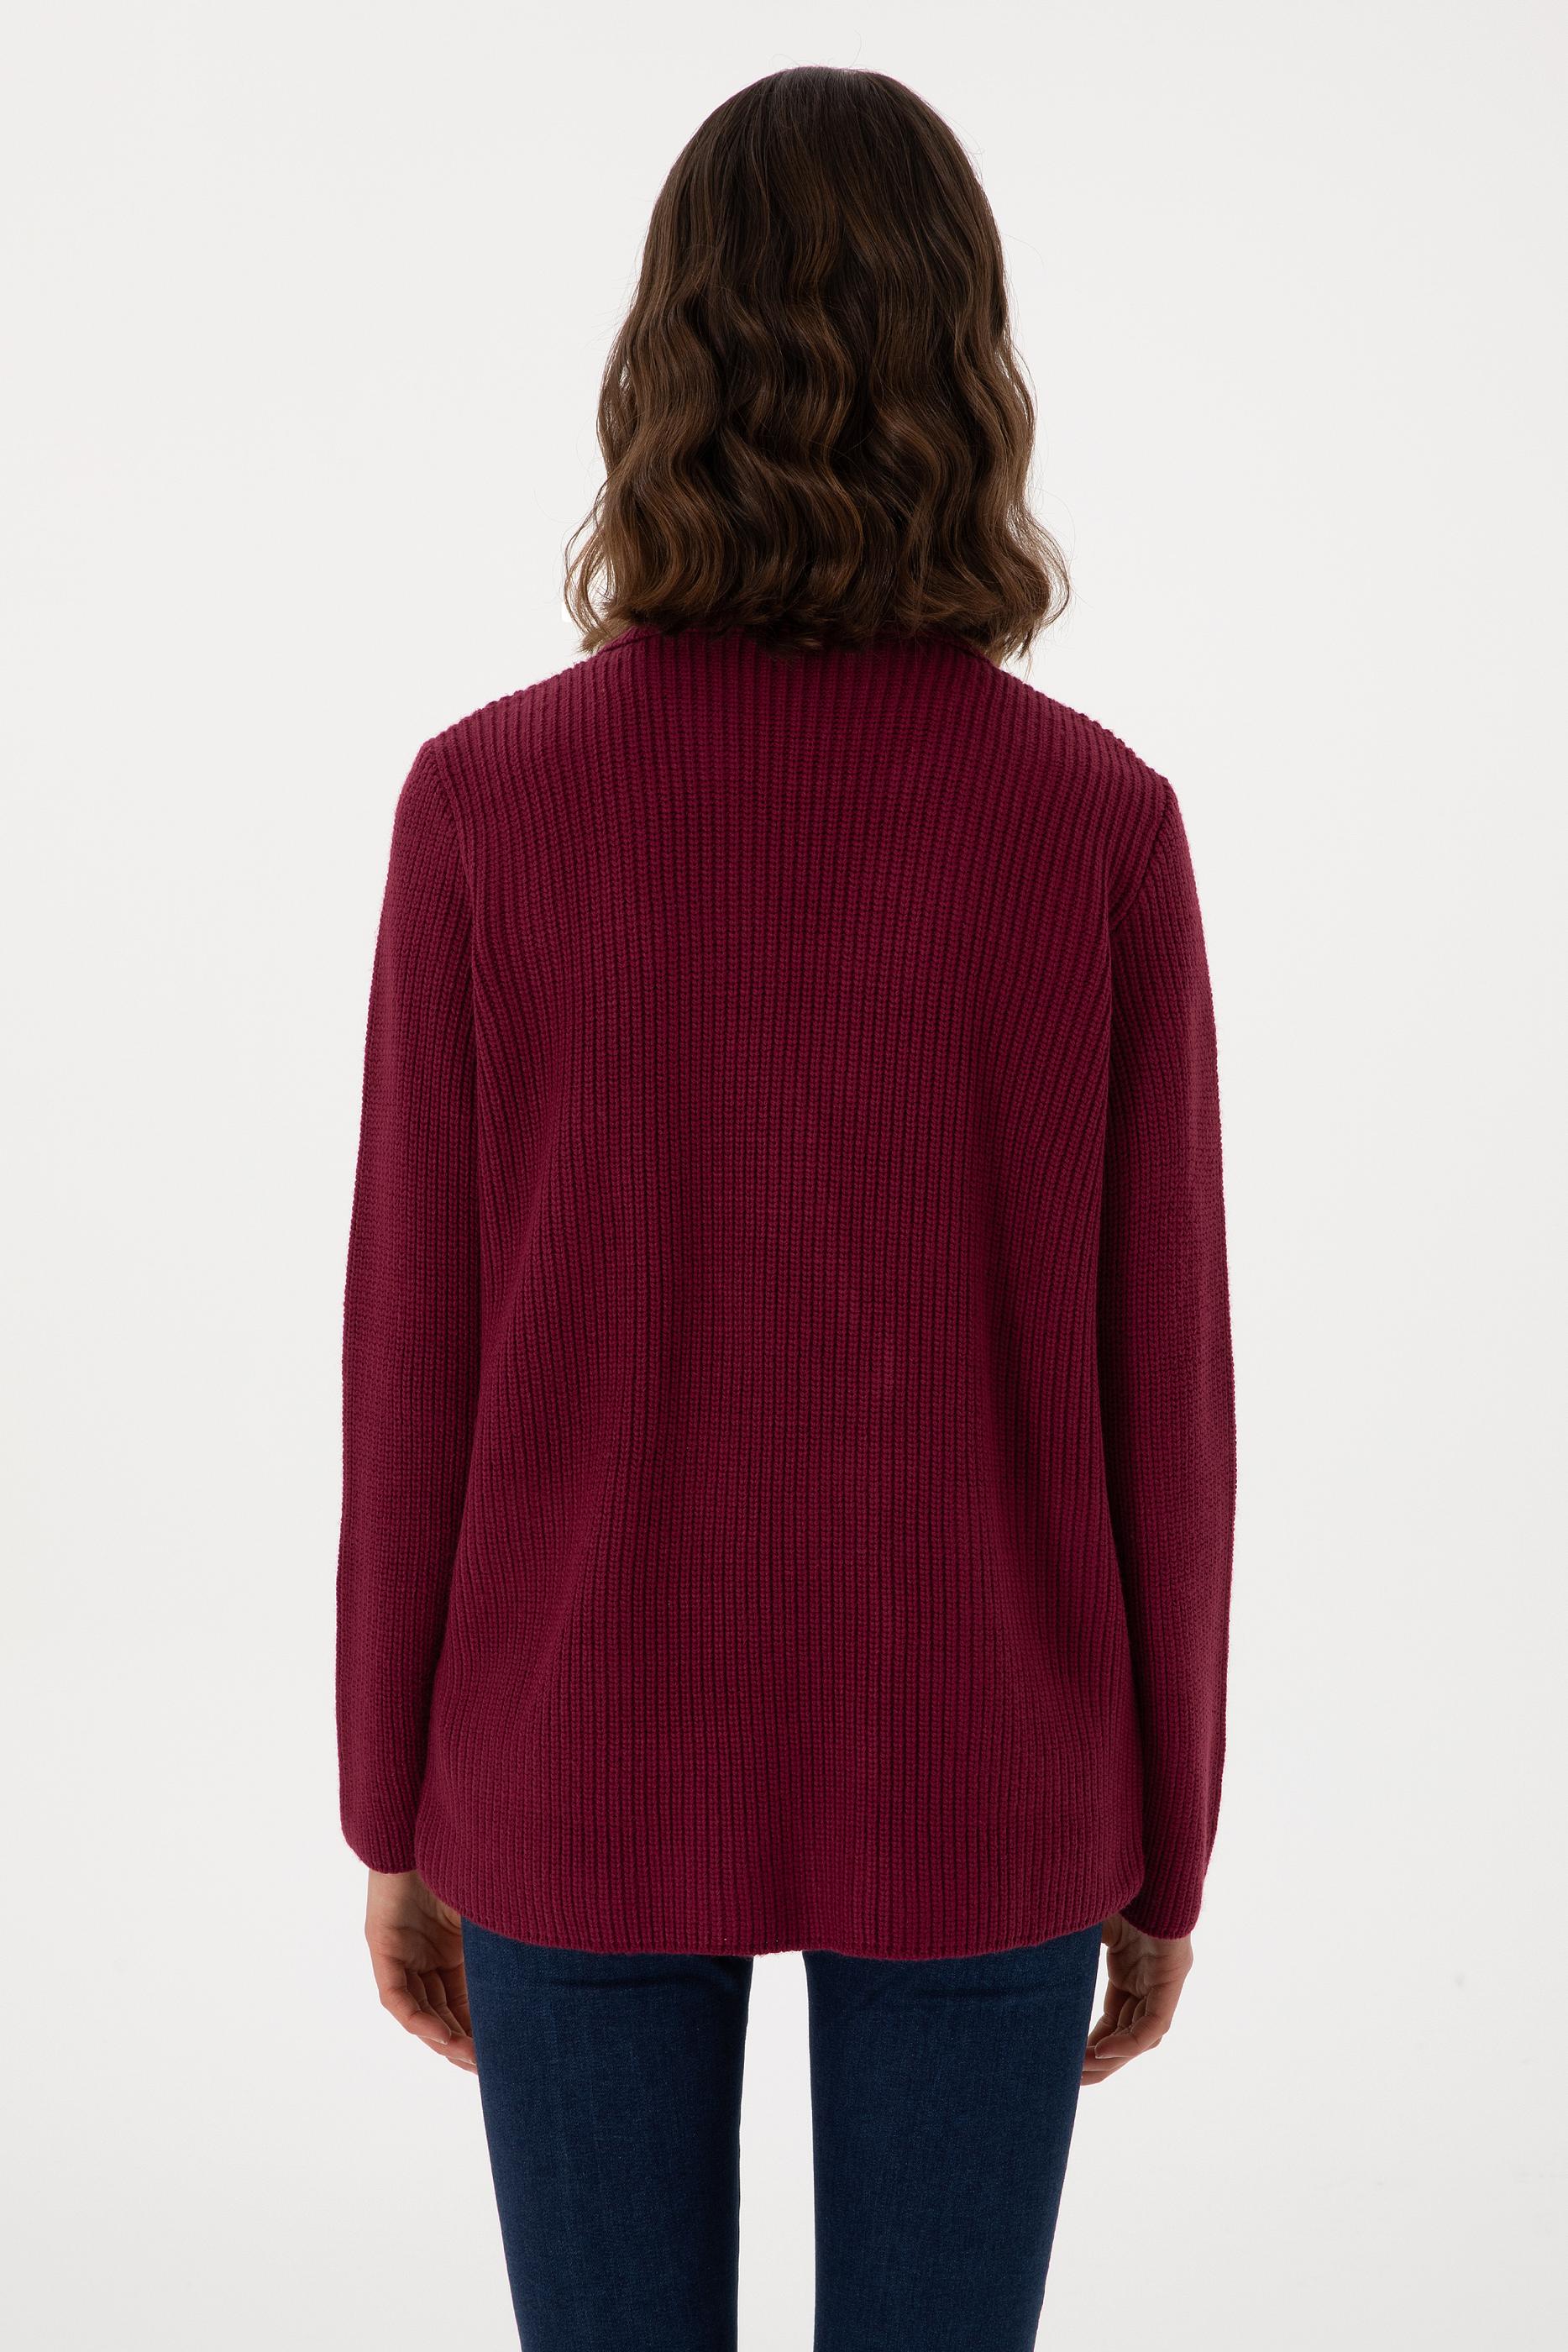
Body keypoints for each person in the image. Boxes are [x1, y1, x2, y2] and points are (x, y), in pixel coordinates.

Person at [335, 63, 1236, 2352]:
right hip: (991, 1765)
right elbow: (1168, 1399)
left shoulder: (484, 809)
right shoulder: (1092, 829)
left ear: (662, 366)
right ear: (971, 370)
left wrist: (391, 1801)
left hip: (563, 1745)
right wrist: (1167, 1835)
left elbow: (411, 1359)